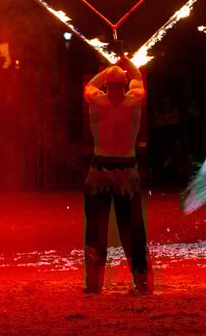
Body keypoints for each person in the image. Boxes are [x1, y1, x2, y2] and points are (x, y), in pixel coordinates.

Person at [82, 53, 152, 296]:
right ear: (123, 85)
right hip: (126, 170)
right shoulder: (133, 101)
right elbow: (138, 78)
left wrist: (109, 67)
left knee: (95, 226)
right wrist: (124, 60)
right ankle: (142, 283)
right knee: (132, 227)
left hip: (99, 170)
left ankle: (93, 284)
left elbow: (90, 86)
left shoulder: (96, 103)